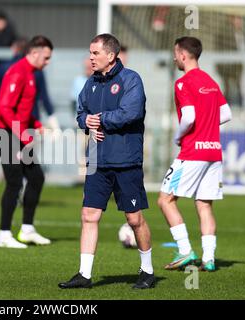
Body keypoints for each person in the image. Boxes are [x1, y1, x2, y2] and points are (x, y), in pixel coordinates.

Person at [58, 34, 155, 290]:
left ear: (111, 56)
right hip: (97, 161)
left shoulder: (131, 80)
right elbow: (81, 113)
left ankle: (147, 270)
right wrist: (85, 121)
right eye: (90, 53)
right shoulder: (90, 83)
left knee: (134, 219)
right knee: (89, 215)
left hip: (125, 161)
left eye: (95, 53)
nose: (90, 58)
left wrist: (98, 119)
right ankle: (84, 274)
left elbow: (130, 113)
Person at [157, 37, 232, 272]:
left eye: (175, 53)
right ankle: (209, 259)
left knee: (165, 199)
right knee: (204, 204)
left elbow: (188, 116)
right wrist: (208, 126)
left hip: (193, 151)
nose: (173, 58)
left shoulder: (183, 83)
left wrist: (180, 136)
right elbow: (226, 114)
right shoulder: (210, 81)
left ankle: (185, 250)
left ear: (182, 55)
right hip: (214, 152)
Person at [0, 35, 53, 249]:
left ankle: (27, 230)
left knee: (36, 177)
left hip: (16, 133)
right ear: (34, 53)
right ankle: (4, 234)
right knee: (15, 181)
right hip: (4, 133)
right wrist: (23, 135)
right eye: (46, 57)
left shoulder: (32, 74)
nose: (48, 62)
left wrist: (36, 124)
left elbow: (23, 109)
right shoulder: (18, 72)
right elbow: (5, 109)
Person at [0, 38, 60, 136]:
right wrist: (53, 122)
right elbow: (44, 97)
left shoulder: (3, 67)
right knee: (20, 149)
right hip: (24, 123)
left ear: (13, 48)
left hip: (9, 124)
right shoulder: (34, 71)